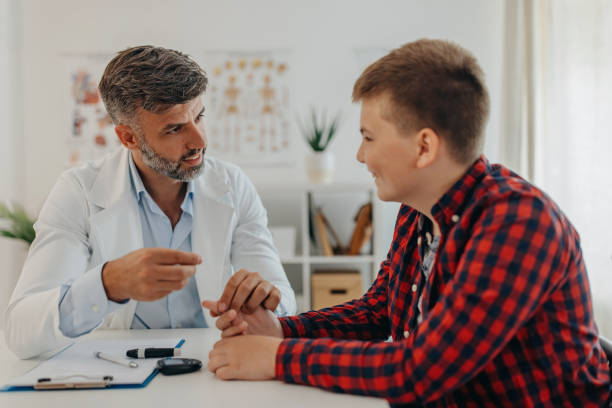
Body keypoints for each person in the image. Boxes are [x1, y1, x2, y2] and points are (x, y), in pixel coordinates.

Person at [203, 39, 610, 406]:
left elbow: (421, 369)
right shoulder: (420, 209)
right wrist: (282, 331)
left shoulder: (519, 224)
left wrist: (277, 358)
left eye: (369, 137)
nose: (361, 156)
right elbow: (379, 311)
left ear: (424, 147)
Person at [4, 46, 296, 359]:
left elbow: (285, 304)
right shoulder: (79, 192)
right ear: (128, 138)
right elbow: (22, 331)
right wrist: (106, 285)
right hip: (118, 369)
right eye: (175, 128)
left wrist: (265, 303)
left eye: (199, 117)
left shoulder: (232, 185)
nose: (200, 141)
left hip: (211, 363)